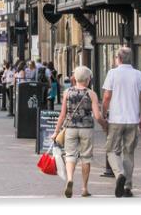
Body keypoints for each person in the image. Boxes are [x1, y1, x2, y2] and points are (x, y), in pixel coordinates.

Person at [51, 66, 107, 198]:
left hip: (70, 128)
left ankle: (70, 179)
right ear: (88, 80)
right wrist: (105, 126)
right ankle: (84, 188)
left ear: (75, 78)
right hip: (86, 129)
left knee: (70, 155)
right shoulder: (91, 94)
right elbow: (98, 116)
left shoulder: (67, 92)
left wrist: (56, 131)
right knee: (86, 158)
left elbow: (62, 115)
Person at [102, 47, 141, 198]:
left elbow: (107, 96)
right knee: (129, 153)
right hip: (133, 120)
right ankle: (127, 187)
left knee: (111, 151)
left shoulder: (112, 73)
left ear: (119, 58)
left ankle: (120, 174)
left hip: (116, 119)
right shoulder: (138, 74)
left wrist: (103, 112)